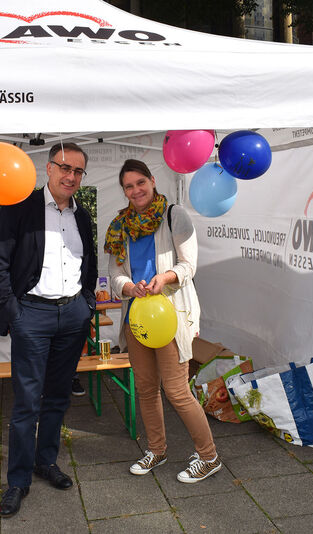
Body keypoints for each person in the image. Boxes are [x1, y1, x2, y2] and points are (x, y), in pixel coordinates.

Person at [0, 142, 97, 518]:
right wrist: (15, 313)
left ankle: (45, 462)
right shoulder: (19, 207)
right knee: (27, 403)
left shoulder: (83, 216)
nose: (71, 176)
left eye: (78, 171)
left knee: (58, 398)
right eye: (65, 167)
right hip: (31, 315)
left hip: (73, 316)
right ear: (48, 168)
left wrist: (87, 304)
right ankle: (17, 481)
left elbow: (89, 264)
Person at [105, 159, 222, 483]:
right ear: (124, 191)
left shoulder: (174, 215)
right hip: (136, 319)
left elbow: (188, 265)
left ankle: (209, 456)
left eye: (140, 182)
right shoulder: (120, 225)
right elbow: (115, 273)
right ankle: (156, 450)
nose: (136, 190)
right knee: (145, 389)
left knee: (177, 391)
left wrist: (165, 277)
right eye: (129, 186)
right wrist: (129, 287)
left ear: (153, 181)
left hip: (170, 318)